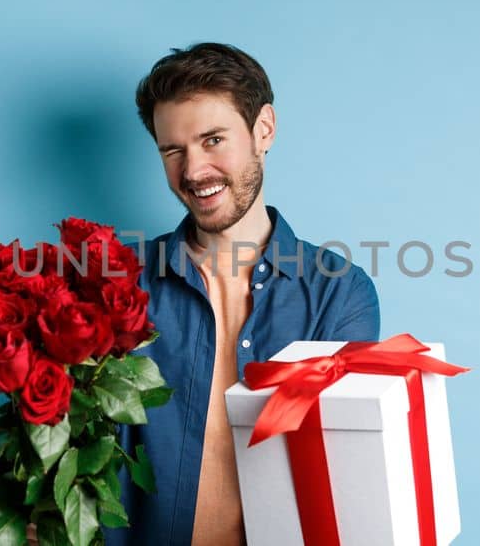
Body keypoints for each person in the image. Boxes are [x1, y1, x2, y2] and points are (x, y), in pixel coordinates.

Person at [105, 43, 380, 546]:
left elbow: (349, 473)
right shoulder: (120, 284)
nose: (192, 171)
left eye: (213, 140)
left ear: (264, 129)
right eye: (173, 150)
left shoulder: (340, 294)